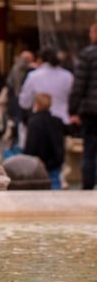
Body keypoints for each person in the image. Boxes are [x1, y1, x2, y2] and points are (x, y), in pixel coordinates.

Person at [69, 21, 97, 191]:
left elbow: (79, 85)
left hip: (91, 111)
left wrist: (73, 110)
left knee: (89, 150)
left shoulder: (87, 54)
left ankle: (88, 186)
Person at [19, 49, 73, 129]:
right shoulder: (68, 76)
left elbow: (25, 102)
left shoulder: (34, 76)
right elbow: (73, 97)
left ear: (40, 60)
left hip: (39, 121)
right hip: (62, 119)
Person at [24, 92, 65, 189]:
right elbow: (59, 145)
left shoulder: (33, 122)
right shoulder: (57, 121)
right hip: (54, 163)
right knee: (55, 189)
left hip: (38, 163)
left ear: (36, 105)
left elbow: (31, 145)